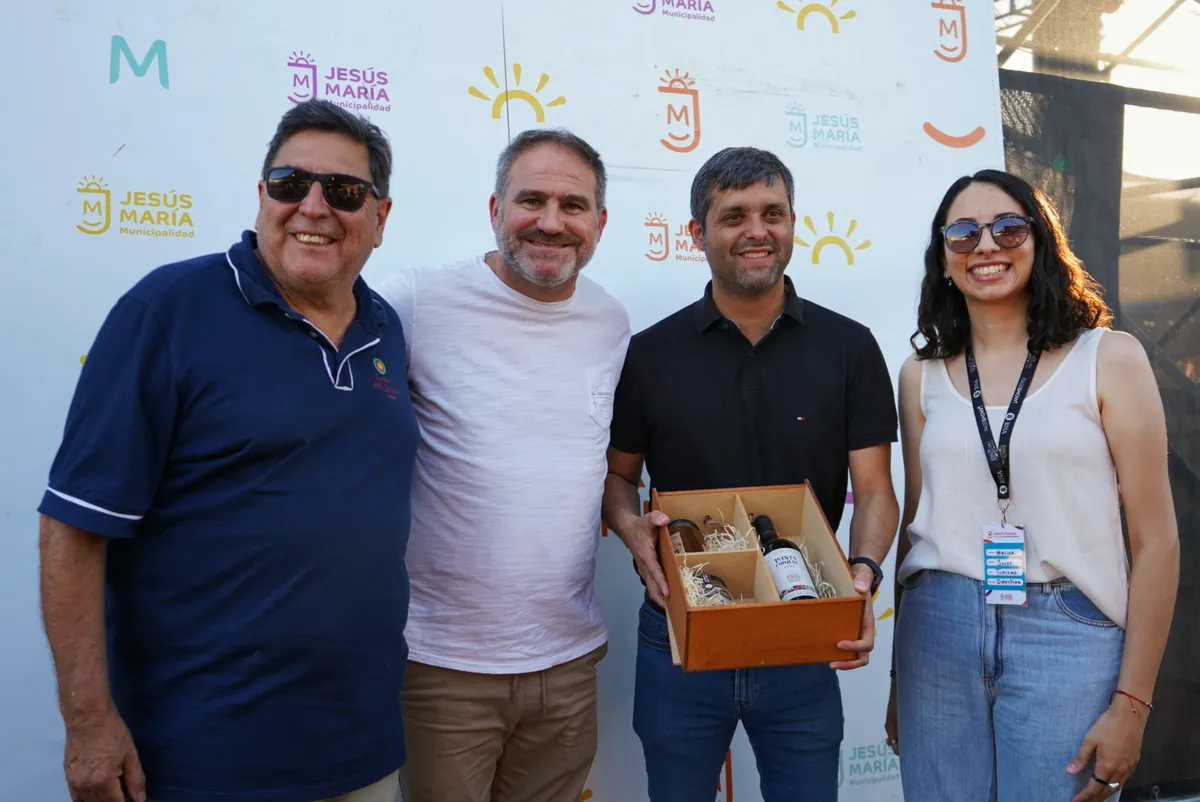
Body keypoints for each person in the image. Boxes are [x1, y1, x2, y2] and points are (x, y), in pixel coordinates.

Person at [37, 99, 417, 802]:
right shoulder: (168, 310)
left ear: (379, 218)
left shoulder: (385, 327)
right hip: (201, 757)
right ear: (262, 195)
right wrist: (88, 722)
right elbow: (73, 528)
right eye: (288, 182)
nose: (313, 206)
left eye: (343, 191)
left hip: (360, 746)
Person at [601, 146, 900, 802]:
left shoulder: (848, 347)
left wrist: (864, 575)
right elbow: (617, 480)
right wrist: (633, 535)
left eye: (773, 212)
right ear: (697, 235)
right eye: (733, 216)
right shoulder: (649, 354)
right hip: (680, 625)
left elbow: (876, 490)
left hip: (802, 620)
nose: (756, 230)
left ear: (794, 223)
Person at [885, 169, 1180, 802]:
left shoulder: (1109, 357)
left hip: (1066, 632)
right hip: (937, 633)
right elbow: (915, 527)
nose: (985, 246)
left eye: (1007, 228)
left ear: (1040, 241)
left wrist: (1132, 705)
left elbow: (1156, 542)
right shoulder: (918, 375)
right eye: (962, 233)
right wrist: (894, 684)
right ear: (942, 258)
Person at [374, 128, 629, 802]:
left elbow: (595, 466)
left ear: (599, 223)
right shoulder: (415, 301)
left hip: (568, 660)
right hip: (442, 667)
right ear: (494, 210)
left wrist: (634, 523)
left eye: (573, 206)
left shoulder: (610, 323)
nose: (551, 222)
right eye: (531, 200)